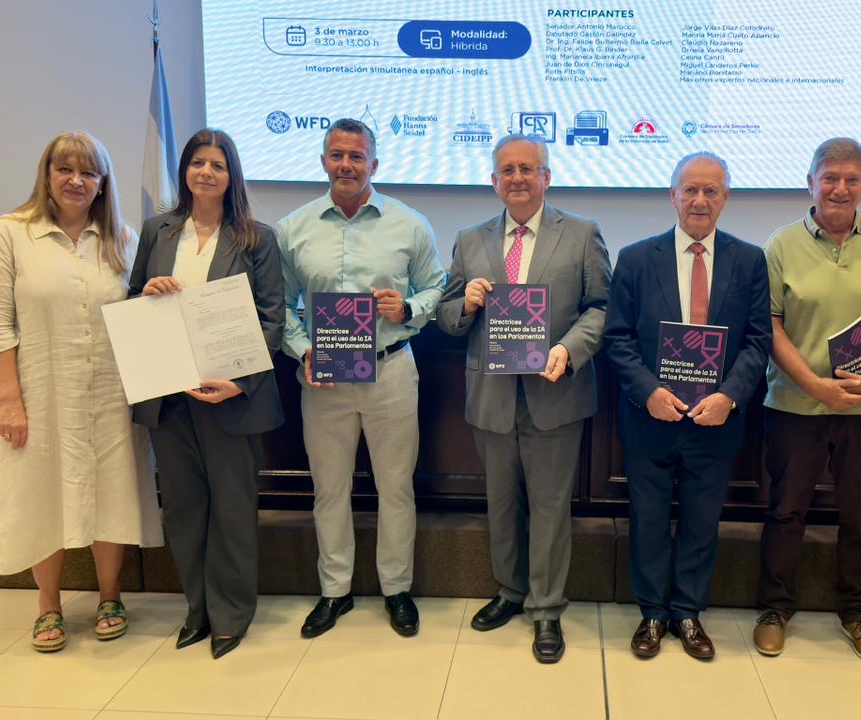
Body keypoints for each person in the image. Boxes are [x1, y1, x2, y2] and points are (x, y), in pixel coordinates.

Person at [0, 130, 162, 652]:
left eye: (88, 172)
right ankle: (48, 605)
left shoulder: (122, 239)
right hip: (41, 393)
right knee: (41, 493)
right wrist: (9, 400)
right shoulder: (11, 233)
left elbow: (141, 313)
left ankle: (110, 596)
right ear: (47, 175)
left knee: (113, 491)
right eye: (66, 170)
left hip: (111, 392)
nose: (76, 181)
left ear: (103, 182)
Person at [436, 134, 611, 663]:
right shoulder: (470, 239)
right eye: (507, 170)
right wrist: (465, 305)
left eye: (527, 169)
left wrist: (568, 348)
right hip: (491, 395)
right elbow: (447, 317)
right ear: (494, 181)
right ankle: (510, 591)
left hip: (554, 392)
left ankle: (546, 608)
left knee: (551, 506)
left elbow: (601, 307)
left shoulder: (582, 233)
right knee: (502, 502)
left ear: (546, 177)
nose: (517, 178)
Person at [277, 118, 447, 638]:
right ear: (323, 161)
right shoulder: (293, 228)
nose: (346, 165)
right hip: (324, 378)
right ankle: (335, 591)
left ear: (374, 163)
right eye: (337, 155)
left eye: (356, 156)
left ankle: (396, 589)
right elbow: (280, 304)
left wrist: (408, 307)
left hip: (390, 369)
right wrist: (303, 351)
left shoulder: (409, 224)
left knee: (396, 488)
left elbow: (437, 288)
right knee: (329, 490)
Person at [753, 138, 861, 663]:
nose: (840, 188)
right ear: (811, 183)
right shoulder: (781, 244)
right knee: (785, 512)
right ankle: (775, 609)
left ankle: (858, 614)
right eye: (830, 177)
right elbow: (771, 327)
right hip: (795, 406)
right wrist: (814, 385)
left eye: (852, 179)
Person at [604, 152, 771, 660]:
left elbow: (757, 342)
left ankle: (688, 612)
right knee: (649, 520)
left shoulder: (749, 260)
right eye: (691, 190)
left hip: (715, 421)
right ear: (672, 195)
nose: (700, 200)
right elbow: (617, 338)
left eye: (711, 191)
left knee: (701, 522)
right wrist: (648, 392)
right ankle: (653, 613)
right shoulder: (636, 258)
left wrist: (729, 397)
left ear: (726, 197)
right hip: (651, 418)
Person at [128, 128, 284, 659]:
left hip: (230, 397)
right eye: (198, 162)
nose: (206, 172)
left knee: (233, 510)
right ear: (185, 171)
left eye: (217, 164)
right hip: (170, 396)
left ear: (231, 174)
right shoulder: (157, 231)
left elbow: (272, 321)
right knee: (184, 510)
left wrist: (239, 382)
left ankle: (231, 614)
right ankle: (197, 609)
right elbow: (133, 297)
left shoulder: (257, 238)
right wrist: (147, 293)